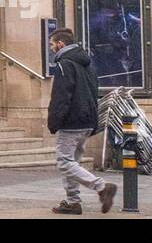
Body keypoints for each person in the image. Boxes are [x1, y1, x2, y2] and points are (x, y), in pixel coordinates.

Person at [47, 28, 116, 215]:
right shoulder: (87, 64)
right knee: (73, 162)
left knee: (64, 162)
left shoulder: (64, 64)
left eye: (53, 44)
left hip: (71, 122)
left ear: (61, 44)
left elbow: (61, 96)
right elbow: (95, 92)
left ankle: (102, 187)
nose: (51, 48)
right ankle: (72, 202)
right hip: (86, 120)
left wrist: (54, 121)